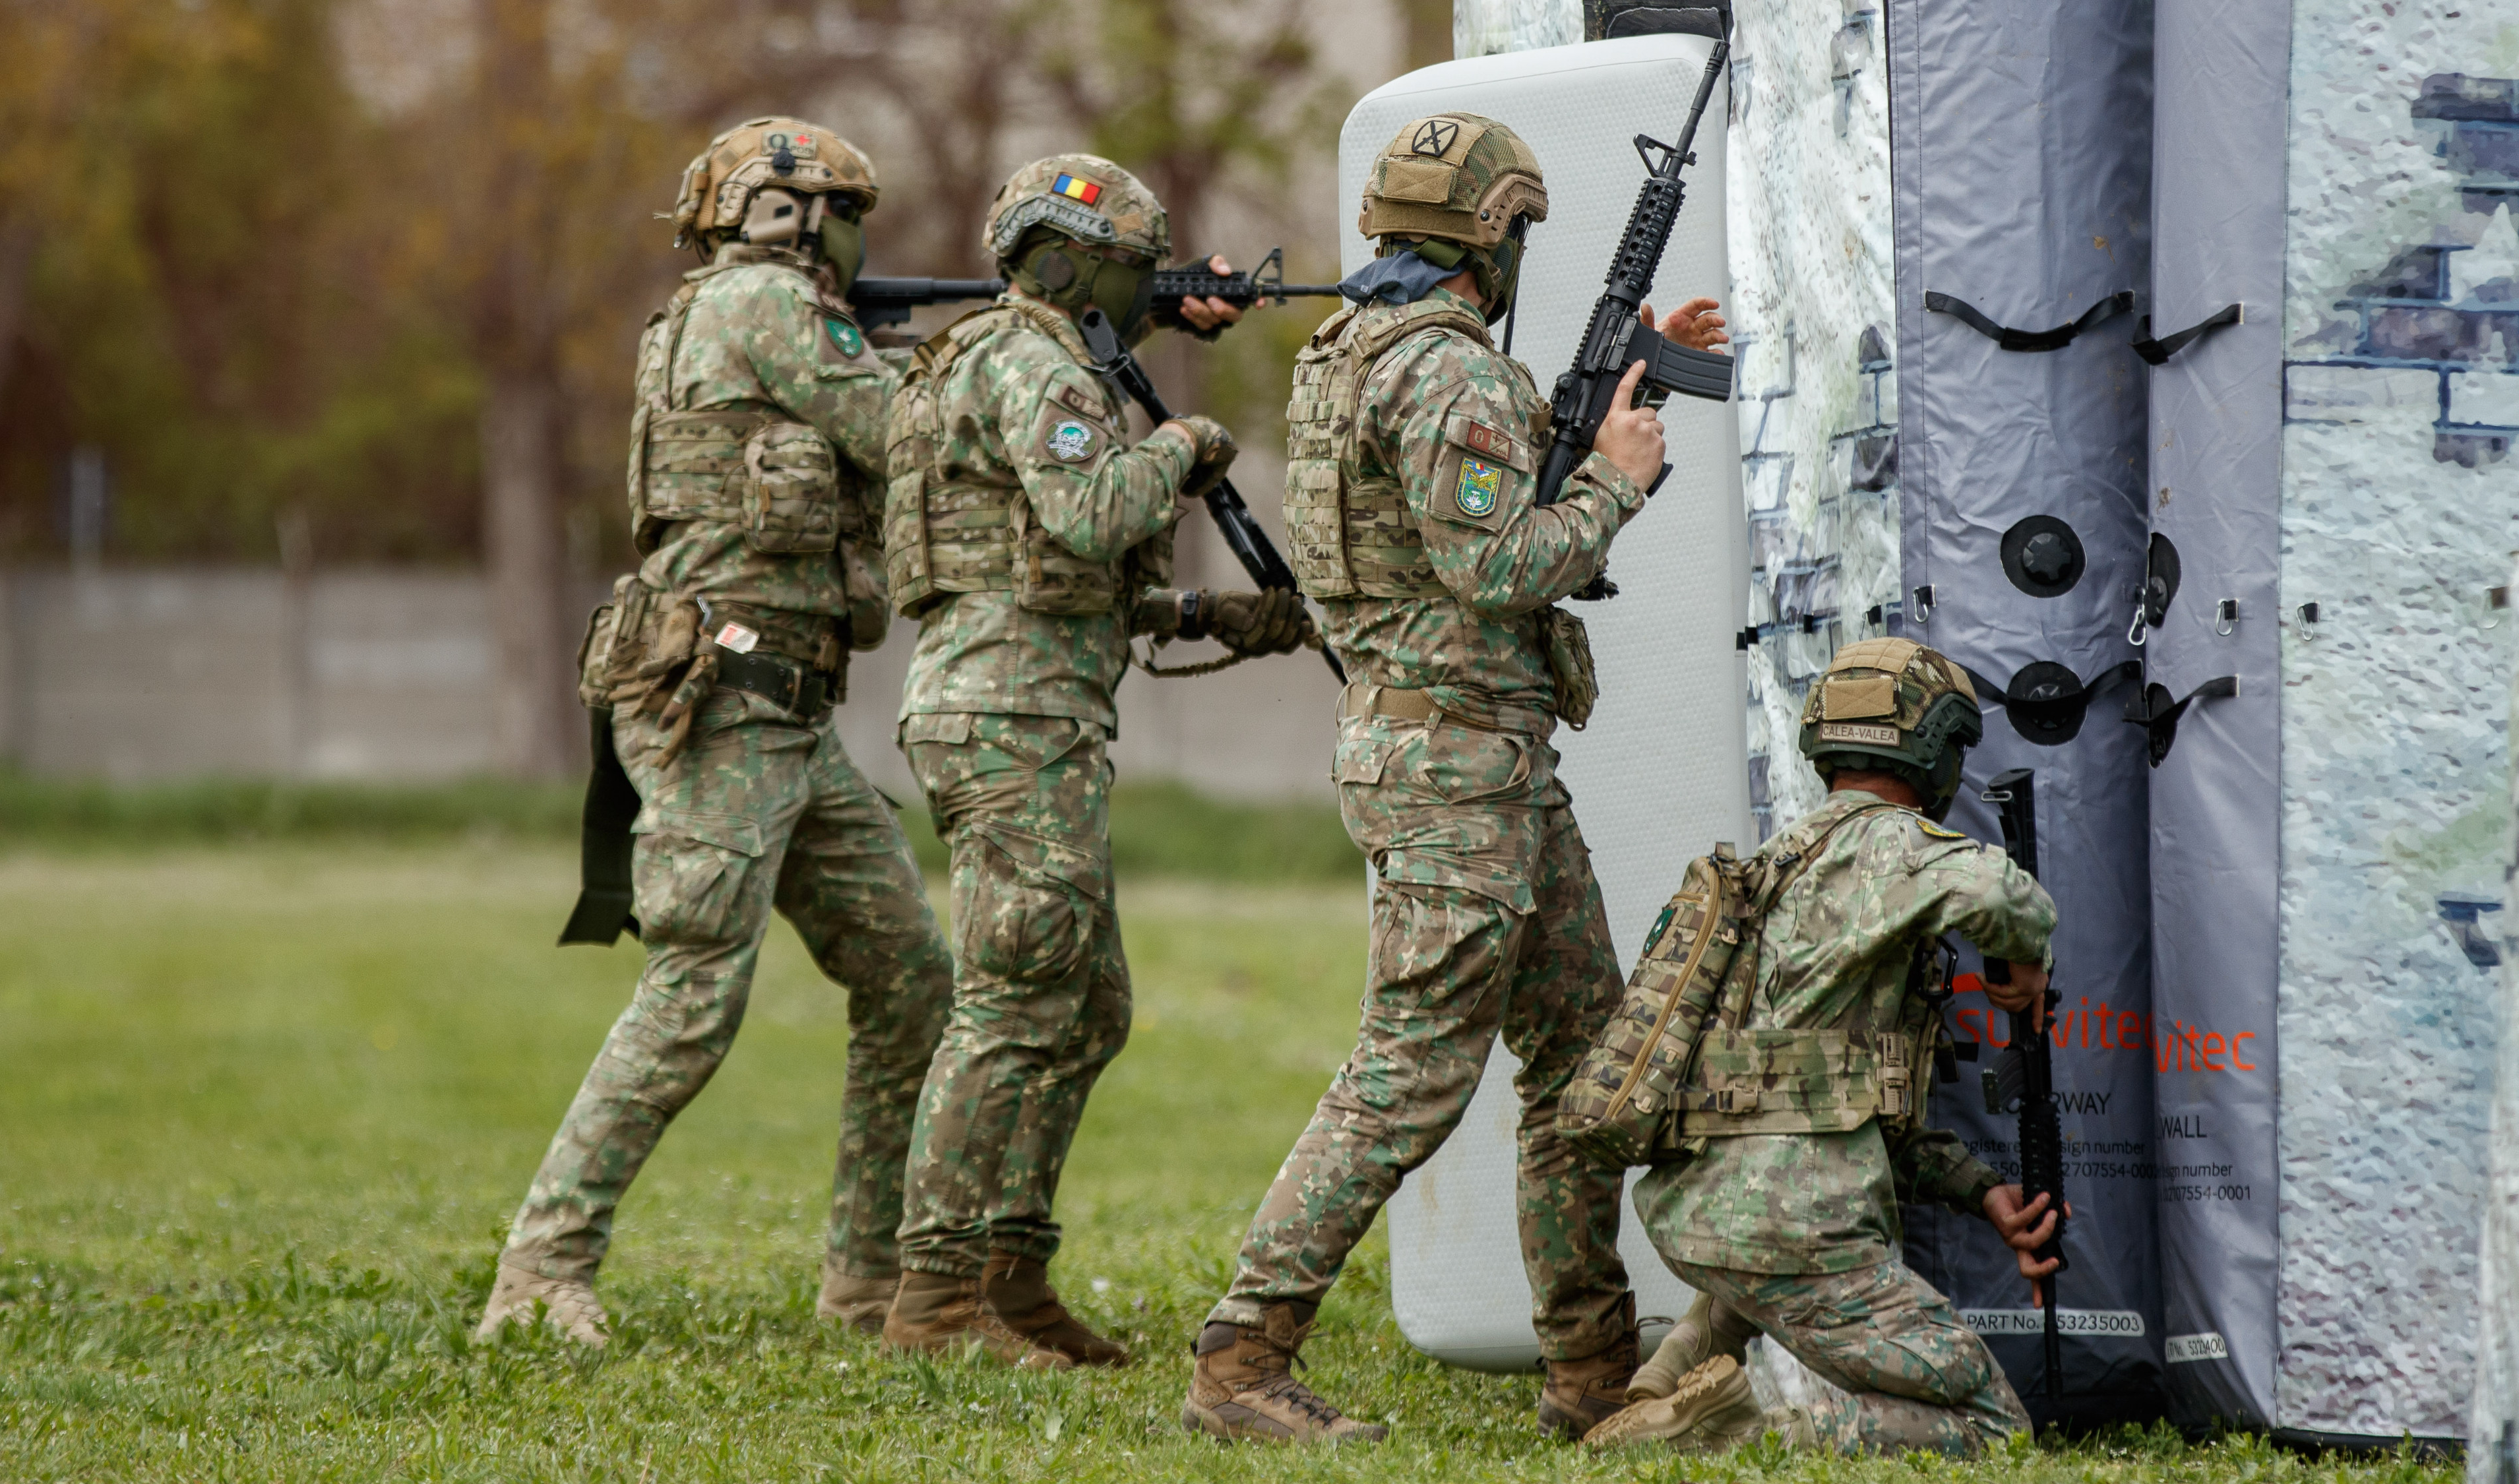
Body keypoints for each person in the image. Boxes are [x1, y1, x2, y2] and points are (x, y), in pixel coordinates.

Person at [1181, 111, 1729, 1443]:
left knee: (1576, 1058)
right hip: (1453, 772)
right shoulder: (1445, 369)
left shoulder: (1352, 353)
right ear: (1493, 238)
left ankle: (1590, 1376)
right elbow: (1501, 566)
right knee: (1409, 1073)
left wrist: (1601, 410)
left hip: (1469, 757)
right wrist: (1614, 478)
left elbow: (1445, 525)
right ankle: (1239, 1365)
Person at [468, 117, 959, 1347]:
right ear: (785, 214)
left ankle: (865, 1282)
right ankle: (540, 1272)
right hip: (725, 705)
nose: (854, 242)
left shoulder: (739, 312)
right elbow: (918, 437)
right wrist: (1032, 361)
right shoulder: (772, 309)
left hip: (785, 719)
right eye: (846, 214)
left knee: (909, 980)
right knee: (693, 992)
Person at [877, 153, 1313, 1370]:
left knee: (1087, 1007)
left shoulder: (1003, 359)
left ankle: (1009, 1277)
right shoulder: (1030, 361)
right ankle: (936, 1299)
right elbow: (1093, 512)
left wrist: (1210, 619)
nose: (1135, 298)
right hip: (1010, 721)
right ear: (1066, 265)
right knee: (1015, 1006)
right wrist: (1186, 445)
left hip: (1027, 710)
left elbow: (1056, 574)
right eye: (1127, 274)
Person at [1586, 636, 2063, 1457]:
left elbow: (1839, 1099)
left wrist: (1983, 1191)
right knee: (1993, 1427)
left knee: (1768, 1247)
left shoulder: (1778, 862)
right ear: (1937, 750)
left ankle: (1666, 1383)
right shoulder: (1888, 846)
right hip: (1798, 1228)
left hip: (1700, 1208)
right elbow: (2004, 894)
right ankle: (1754, 1432)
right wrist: (2019, 963)